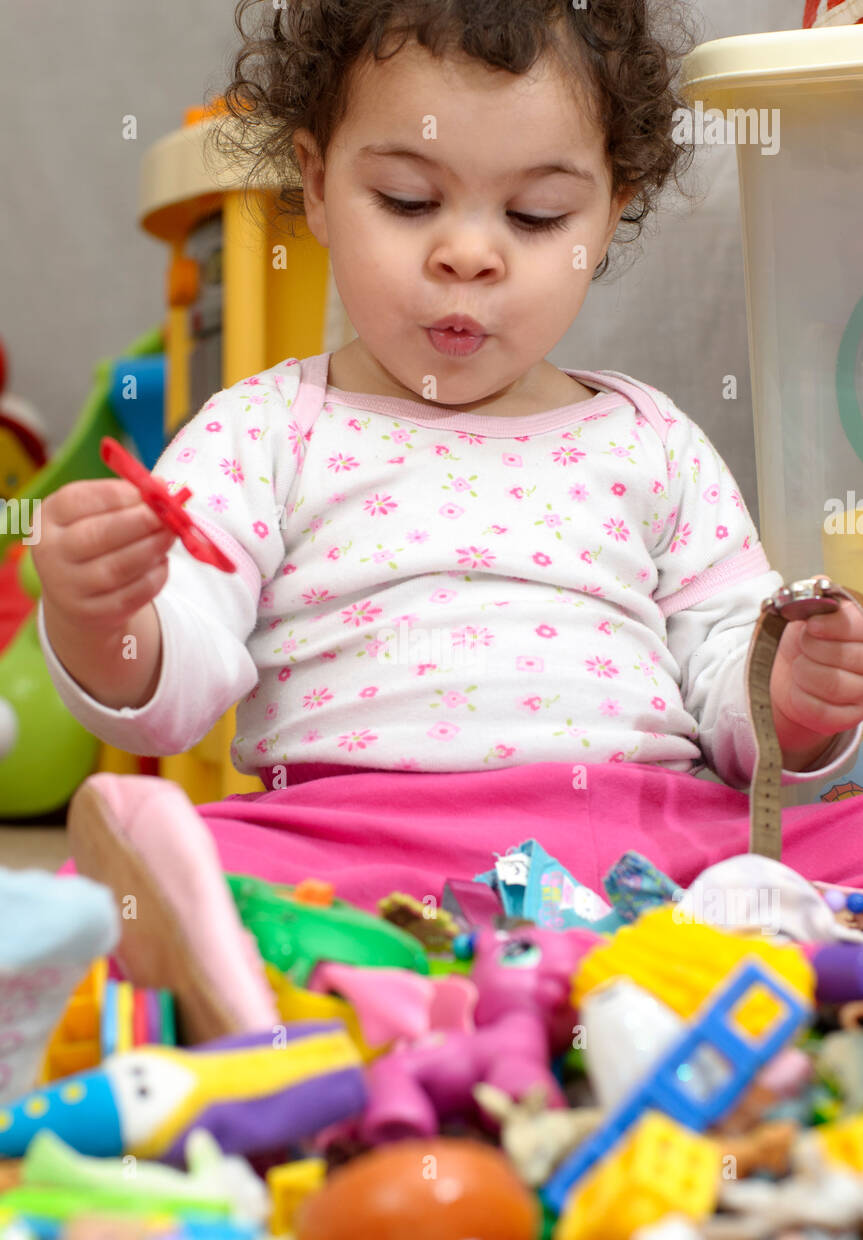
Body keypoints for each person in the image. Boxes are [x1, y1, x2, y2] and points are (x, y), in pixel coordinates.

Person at [33, 0, 863, 917]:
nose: (467, 253)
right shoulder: (262, 432)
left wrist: (791, 698)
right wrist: (98, 614)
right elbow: (171, 693)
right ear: (314, 183)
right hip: (351, 837)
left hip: (639, 835)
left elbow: (728, 689)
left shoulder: (650, 438)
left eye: (536, 215)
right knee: (129, 880)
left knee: (841, 830)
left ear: (610, 210)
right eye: (408, 200)